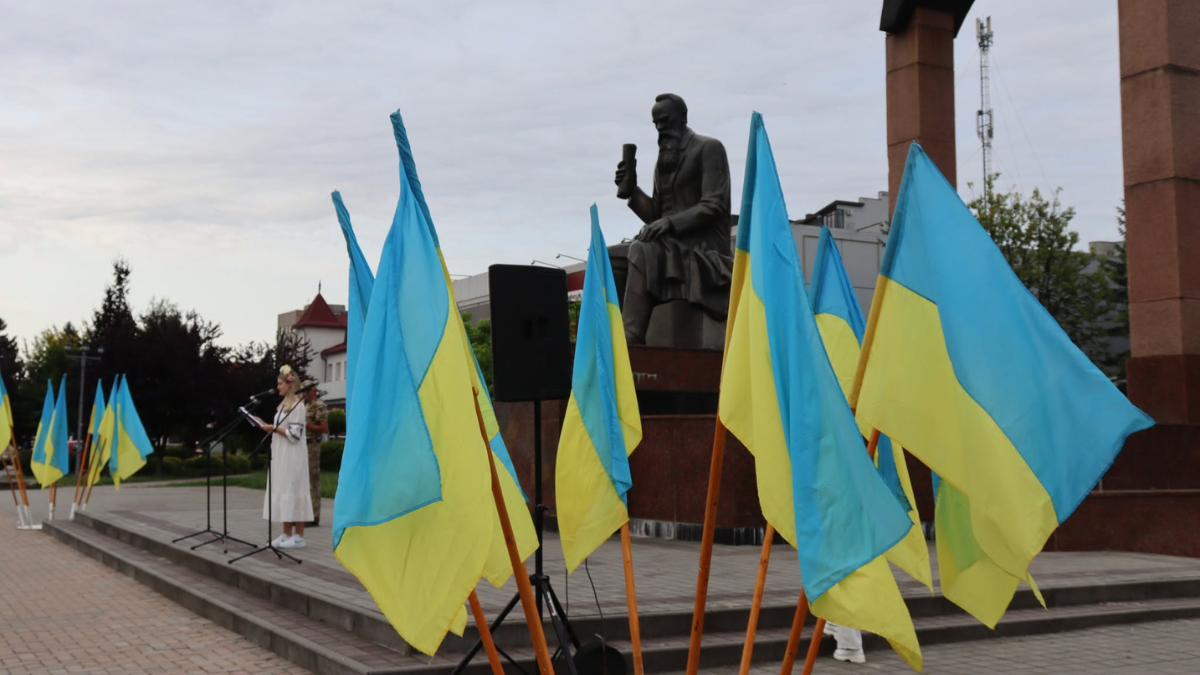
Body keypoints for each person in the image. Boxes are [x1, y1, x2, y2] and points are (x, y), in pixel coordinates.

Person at [614, 93, 734, 346]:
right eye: (656, 123)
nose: (660, 128)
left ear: (683, 118)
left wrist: (668, 224)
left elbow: (714, 204)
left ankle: (631, 337)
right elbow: (656, 216)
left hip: (702, 248)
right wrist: (632, 190)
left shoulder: (708, 147)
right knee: (610, 256)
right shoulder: (663, 163)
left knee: (641, 249)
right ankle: (612, 332)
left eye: (665, 121)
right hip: (671, 245)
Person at [258, 365, 313, 549]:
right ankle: (286, 533)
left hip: (293, 454)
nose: (278, 387)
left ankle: (299, 536)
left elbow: (295, 433)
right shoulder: (283, 406)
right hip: (281, 454)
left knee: (294, 489)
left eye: (280, 383)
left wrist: (271, 428)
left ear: (290, 385)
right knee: (283, 489)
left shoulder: (297, 406)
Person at [302, 383, 328, 527]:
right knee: (303, 481)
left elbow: (324, 428)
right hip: (302, 445)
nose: (304, 394)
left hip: (312, 445)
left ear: (313, 391)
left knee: (313, 481)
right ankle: (303, 514)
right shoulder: (305, 406)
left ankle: (314, 515)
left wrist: (306, 425)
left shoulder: (319, 405)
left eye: (306, 391)